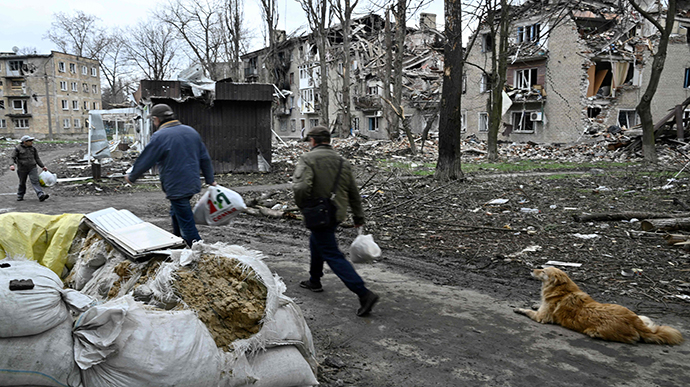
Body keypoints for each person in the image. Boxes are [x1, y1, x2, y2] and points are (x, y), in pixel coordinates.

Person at [293, 125, 379, 317]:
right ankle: (314, 280)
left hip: (318, 214)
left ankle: (364, 293)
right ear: (328, 140)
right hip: (336, 214)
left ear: (313, 141)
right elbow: (354, 193)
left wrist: (303, 206)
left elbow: (300, 188)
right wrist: (358, 217)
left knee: (332, 254)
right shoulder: (342, 162)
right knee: (317, 241)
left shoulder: (308, 159)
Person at [125, 103, 216, 247]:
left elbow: (147, 159)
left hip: (176, 186)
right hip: (192, 183)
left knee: (186, 223)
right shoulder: (190, 131)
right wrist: (210, 179)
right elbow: (204, 157)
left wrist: (132, 176)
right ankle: (176, 240)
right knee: (176, 213)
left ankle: (199, 252)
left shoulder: (160, 136)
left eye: (153, 121)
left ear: (157, 119)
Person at [10, 135, 49, 202]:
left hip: (32, 167)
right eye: (30, 141)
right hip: (22, 169)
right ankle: (20, 195)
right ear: (25, 142)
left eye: (32, 141)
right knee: (22, 182)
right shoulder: (18, 148)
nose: (32, 142)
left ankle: (40, 195)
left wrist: (42, 166)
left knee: (35, 181)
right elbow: (12, 157)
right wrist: (11, 165)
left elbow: (37, 158)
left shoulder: (33, 149)